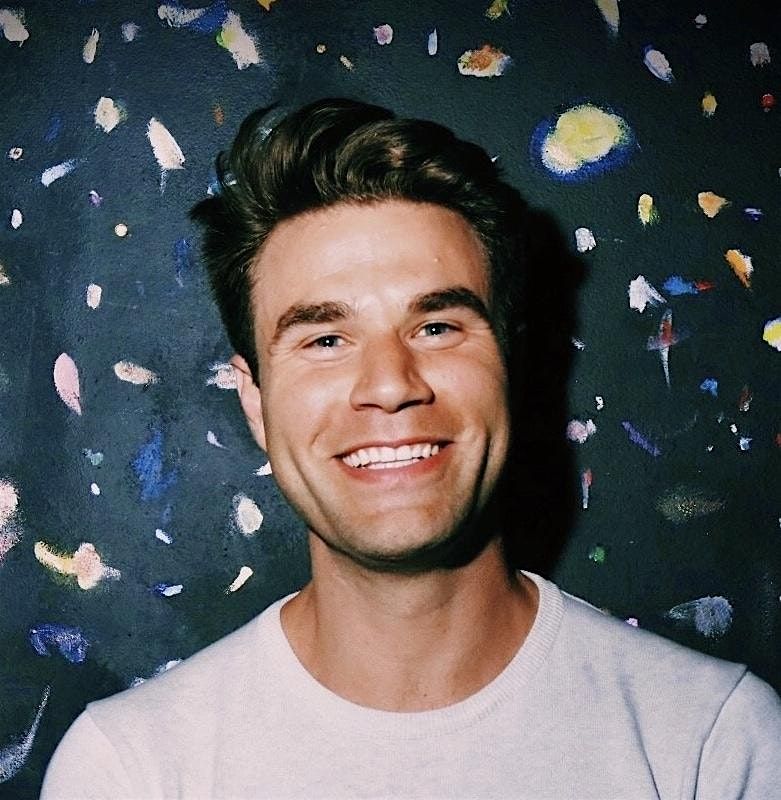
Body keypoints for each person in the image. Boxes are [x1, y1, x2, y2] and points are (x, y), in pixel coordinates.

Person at [41, 98, 781, 799]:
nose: (390, 384)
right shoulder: (129, 770)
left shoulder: (713, 744)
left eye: (436, 327)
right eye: (324, 340)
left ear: (514, 369)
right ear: (255, 402)